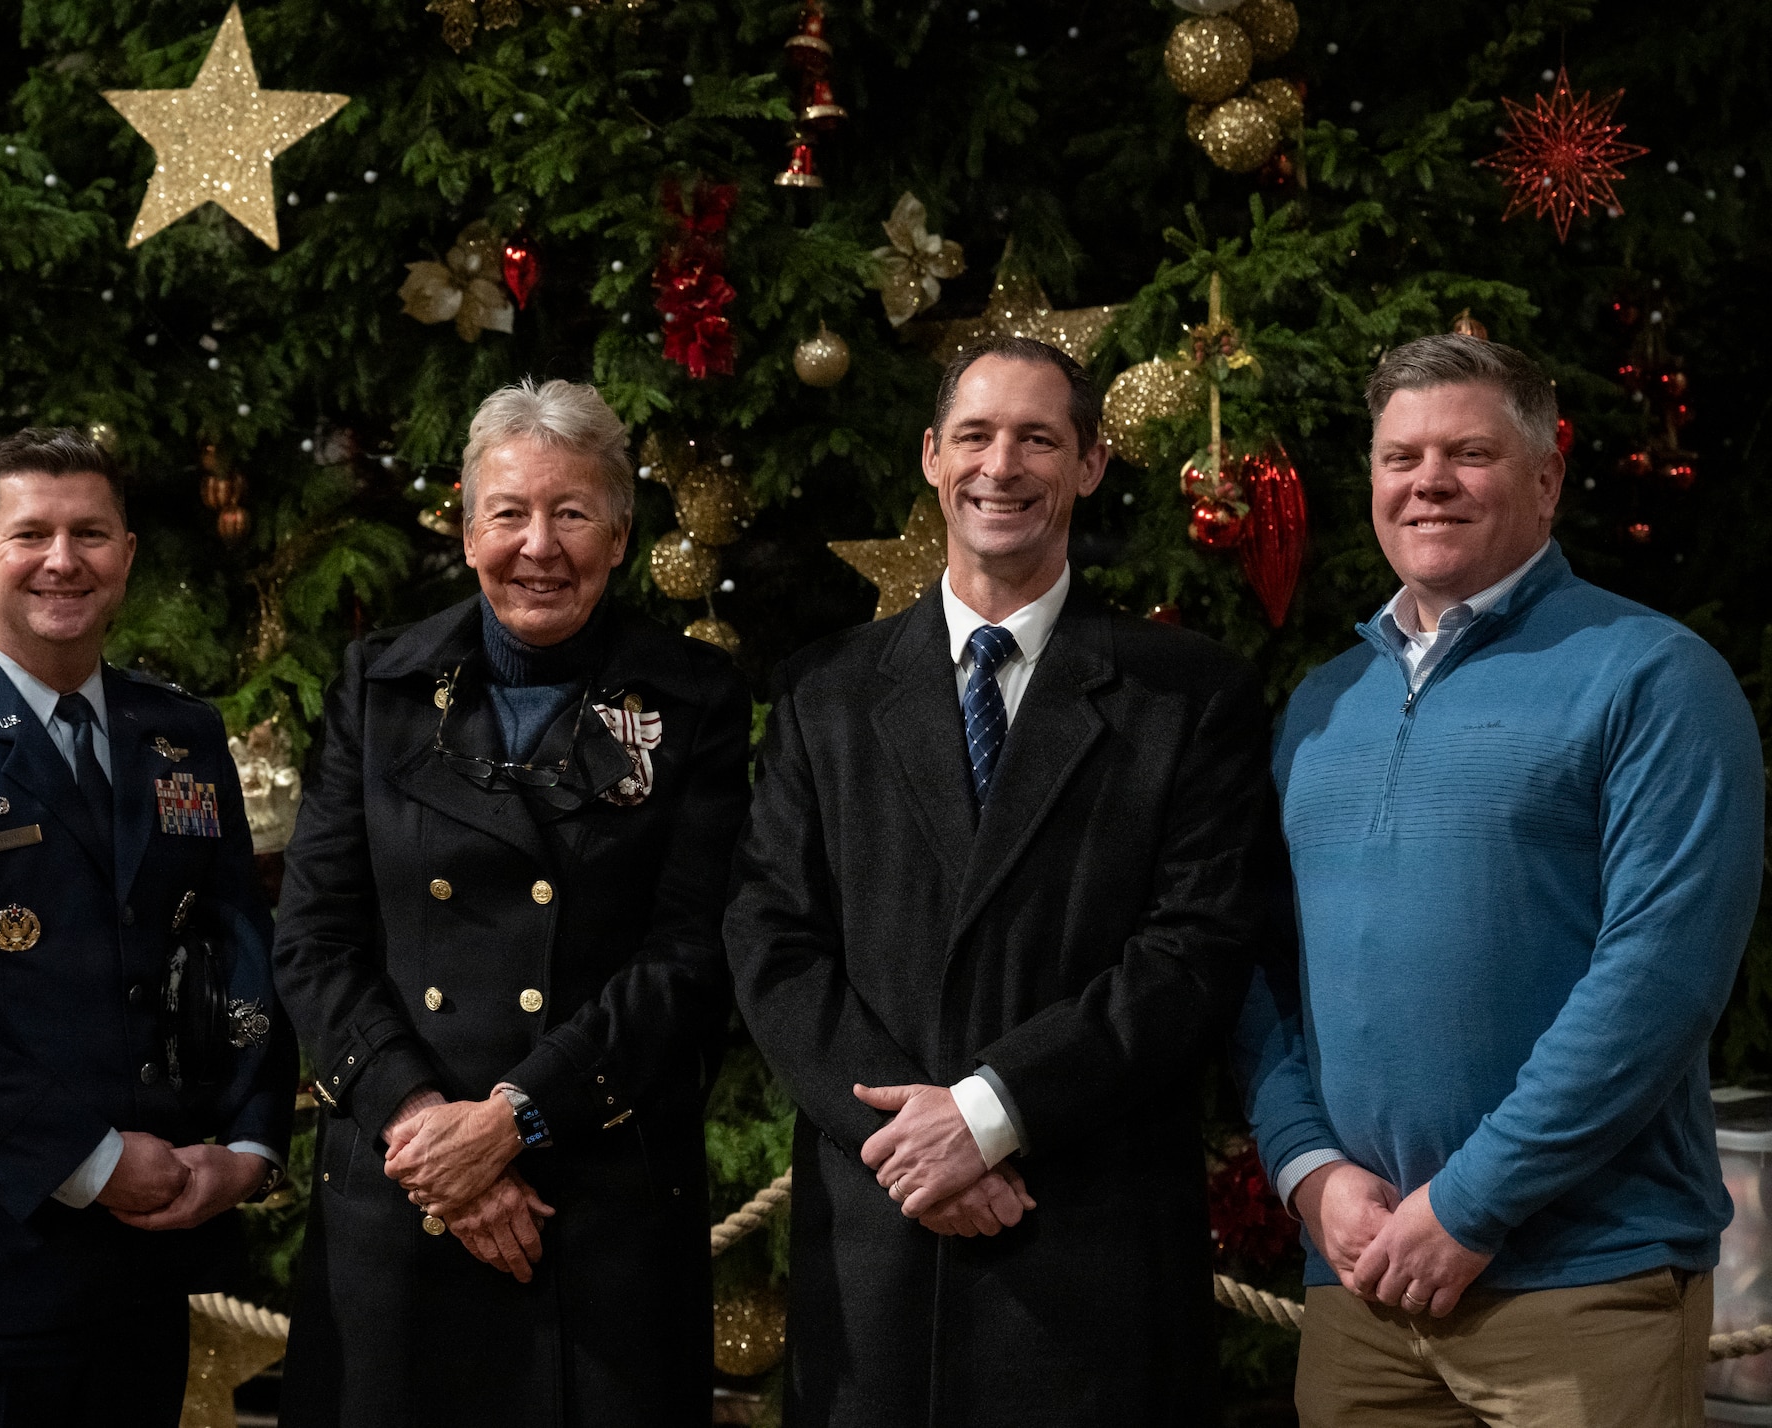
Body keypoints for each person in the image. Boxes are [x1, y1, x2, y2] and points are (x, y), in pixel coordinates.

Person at [724, 336, 1286, 1427]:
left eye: (1038, 437)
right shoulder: (823, 694)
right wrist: (914, 1144)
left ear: (1089, 466)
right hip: (877, 1243)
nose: (1002, 465)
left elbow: (1193, 952)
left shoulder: (1185, 697)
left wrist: (988, 1115)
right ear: (931, 457)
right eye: (975, 435)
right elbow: (770, 942)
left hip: (1086, 1249)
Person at [1234, 333, 1765, 1427]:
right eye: (1399, 456)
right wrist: (1306, 1169)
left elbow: (1656, 983)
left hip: (1581, 1281)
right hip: (1362, 1287)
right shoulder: (1321, 705)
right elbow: (1256, 969)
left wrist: (1471, 1206)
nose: (1427, 480)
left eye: (1466, 452)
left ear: (1544, 477)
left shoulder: (1652, 675)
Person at [272, 378, 751, 1427]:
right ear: (464, 523)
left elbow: (690, 954)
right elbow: (313, 938)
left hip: (595, 1201)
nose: (539, 545)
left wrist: (515, 1119)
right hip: (403, 1196)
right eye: (509, 512)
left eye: (572, 513)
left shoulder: (694, 702)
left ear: (620, 536)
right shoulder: (378, 686)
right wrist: (429, 1130)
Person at [0, 428, 295, 1428]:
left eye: (92, 532)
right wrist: (95, 1163)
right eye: (31, 533)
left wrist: (247, 1141)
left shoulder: (180, 734)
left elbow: (234, 942)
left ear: (126, 555)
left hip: (144, 1260)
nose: (63, 561)